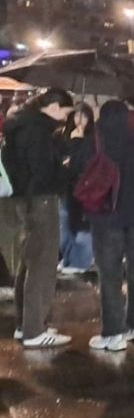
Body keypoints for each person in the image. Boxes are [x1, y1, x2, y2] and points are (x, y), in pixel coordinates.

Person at [82, 101, 134, 351]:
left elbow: (83, 177)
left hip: (107, 218)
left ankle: (114, 333)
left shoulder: (97, 143)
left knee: (110, 274)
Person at [1, 87, 75, 348]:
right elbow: (43, 174)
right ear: (53, 107)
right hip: (41, 200)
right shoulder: (37, 132)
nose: (66, 119)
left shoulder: (22, 124)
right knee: (43, 264)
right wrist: (67, 169)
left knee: (29, 261)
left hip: (23, 199)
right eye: (65, 113)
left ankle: (25, 325)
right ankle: (35, 330)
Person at [59, 104, 96, 275]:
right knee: (67, 225)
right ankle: (68, 258)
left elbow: (84, 163)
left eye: (83, 117)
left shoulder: (92, 139)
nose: (79, 121)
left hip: (85, 189)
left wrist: (77, 142)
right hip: (67, 188)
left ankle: (80, 262)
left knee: (82, 226)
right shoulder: (64, 135)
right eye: (76, 116)